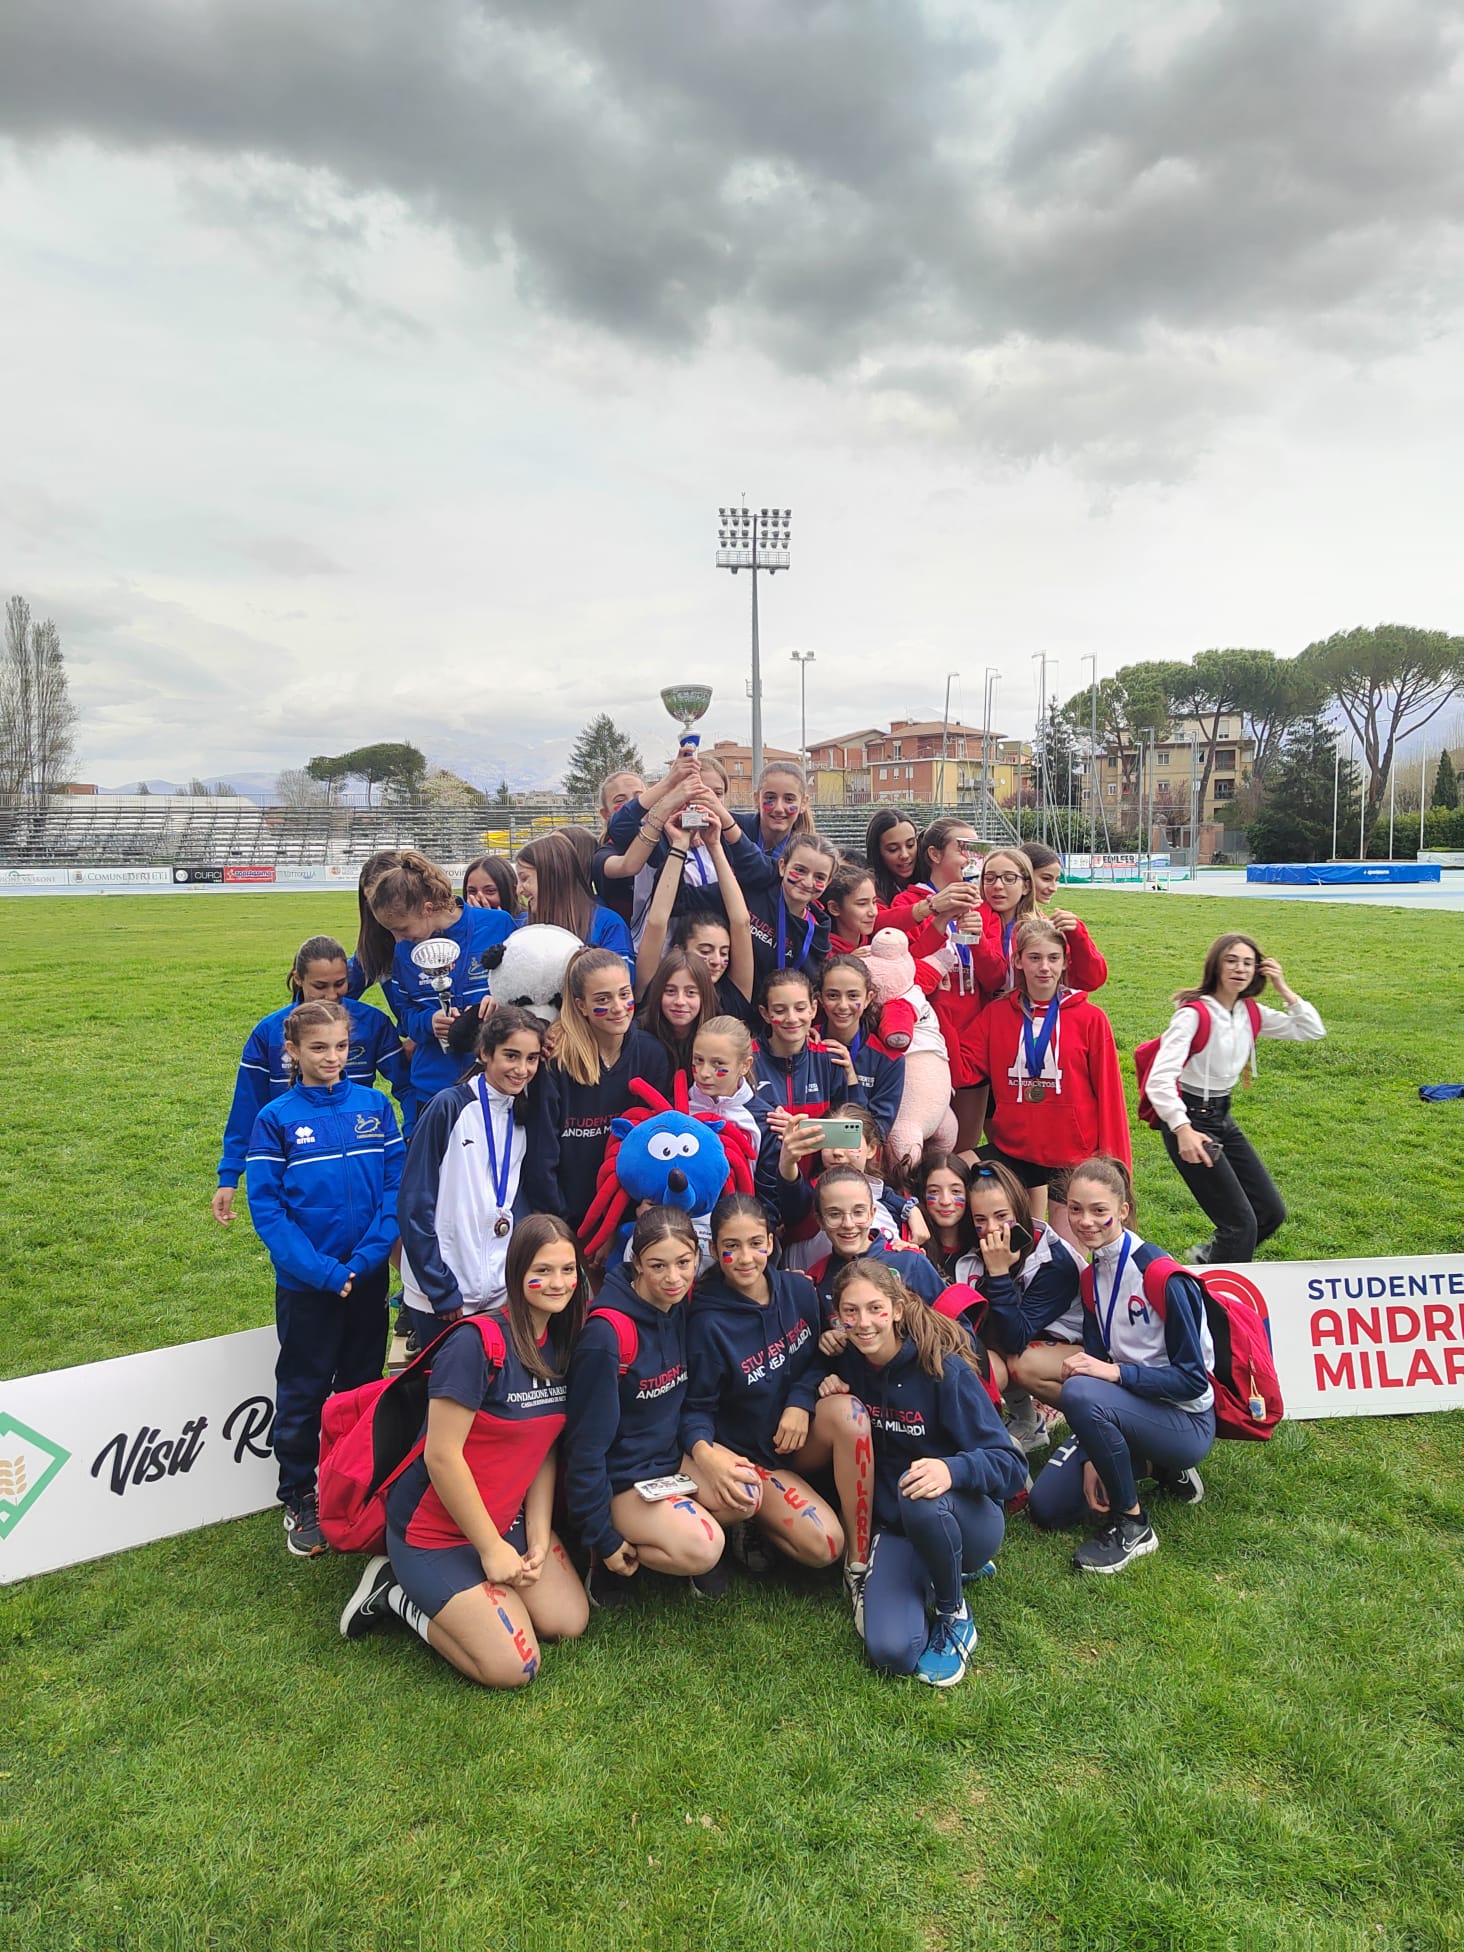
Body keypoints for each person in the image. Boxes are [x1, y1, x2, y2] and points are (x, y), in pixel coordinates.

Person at [339, 1216, 589, 1684]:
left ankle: (479, 1591)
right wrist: (492, 1549)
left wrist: (537, 1537)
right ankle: (395, 1592)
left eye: (567, 1269)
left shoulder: (563, 1342)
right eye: (543, 1270)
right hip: (434, 1531)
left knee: (568, 1622)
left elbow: (542, 1449)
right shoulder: (476, 1344)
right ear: (516, 1272)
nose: (558, 1283)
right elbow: (441, 1456)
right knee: (516, 1667)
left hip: (506, 1519)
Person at [243, 1001, 403, 1557]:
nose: (332, 1057)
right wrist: (323, 1272)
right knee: (304, 1389)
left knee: (359, 1386)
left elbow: (394, 1187)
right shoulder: (276, 1118)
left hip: (366, 1277)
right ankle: (299, 1494)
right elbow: (268, 1211)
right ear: (292, 1051)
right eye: (318, 1048)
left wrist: (367, 1259)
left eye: (341, 1046)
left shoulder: (375, 1107)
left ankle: (350, 1484)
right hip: (309, 1286)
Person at [818, 1260, 1026, 1686]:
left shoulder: (943, 1369)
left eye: (875, 1309)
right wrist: (822, 1387)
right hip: (898, 1526)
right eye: (851, 1312)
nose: (864, 1323)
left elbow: (1011, 1465)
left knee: (918, 1488)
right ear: (838, 1317)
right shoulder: (850, 1363)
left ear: (897, 1310)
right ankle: (936, 1568)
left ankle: (954, 1613)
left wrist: (951, 1469)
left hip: (964, 1517)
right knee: (892, 1651)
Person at [1029, 1157, 1217, 1575]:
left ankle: (1133, 1525)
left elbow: (1192, 1381)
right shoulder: (1092, 1276)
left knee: (1080, 1388)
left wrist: (1117, 1374)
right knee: (1047, 1507)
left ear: (1124, 1210)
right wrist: (1092, 1453)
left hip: (1185, 1422)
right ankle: (1157, 1468)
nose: (1085, 1221)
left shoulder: (1160, 1276)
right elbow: (1097, 1361)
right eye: (1075, 1209)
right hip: (1127, 1410)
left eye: (1099, 1210)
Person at [683, 1194, 863, 1593]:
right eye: (731, 1247)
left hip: (801, 1435)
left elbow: (819, 1356)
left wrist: (800, 1401)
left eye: (755, 1243)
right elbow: (695, 1409)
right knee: (824, 1545)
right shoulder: (707, 1324)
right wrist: (708, 1457)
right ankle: (752, 1519)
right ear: (713, 1249)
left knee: (850, 1413)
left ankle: (861, 1558)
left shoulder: (799, 1291)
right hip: (753, 1457)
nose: (745, 1258)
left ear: (770, 1242)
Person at [562, 1207, 725, 1605]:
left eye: (684, 1263)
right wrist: (602, 1536)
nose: (673, 1278)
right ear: (636, 1262)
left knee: (743, 1494)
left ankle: (673, 1529)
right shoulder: (606, 1337)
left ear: (698, 1256)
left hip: (669, 1461)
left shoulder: (679, 1307)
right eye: (657, 1266)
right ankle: (604, 1558)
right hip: (622, 1480)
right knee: (704, 1547)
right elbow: (584, 1449)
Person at [1146, 934, 1325, 1263]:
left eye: (1248, 963)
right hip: (1190, 1120)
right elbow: (1159, 1080)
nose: (1240, 969)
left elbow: (1311, 1030)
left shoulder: (1249, 1012)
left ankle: (1209, 1262)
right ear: (1215, 965)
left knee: (1269, 1213)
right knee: (1240, 1225)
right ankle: (1218, 1288)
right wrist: (1182, 1129)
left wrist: (1284, 988)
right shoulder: (1193, 1015)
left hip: (1221, 1116)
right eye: (1231, 961)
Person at [396, 1007, 563, 1349]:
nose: (522, 1069)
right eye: (511, 1056)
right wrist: (440, 1287)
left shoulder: (522, 1115)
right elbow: (415, 1201)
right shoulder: (449, 1107)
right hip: (443, 1294)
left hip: (498, 1292)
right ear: (485, 1053)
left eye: (531, 1058)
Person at [212, 934, 403, 1226]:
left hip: (356, 1154)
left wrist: (413, 1129)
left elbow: (406, 1083)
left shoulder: (372, 1023)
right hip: (297, 1159)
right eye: (320, 986)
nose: (331, 995)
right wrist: (230, 1173)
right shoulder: (270, 1032)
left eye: (340, 984)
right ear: (298, 979)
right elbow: (247, 1104)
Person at [967, 917, 1131, 1225]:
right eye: (1034, 958)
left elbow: (1110, 1096)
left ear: (1065, 962)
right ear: (1017, 960)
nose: (1044, 967)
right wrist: (935, 1016)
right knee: (950, 1174)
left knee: (1067, 1249)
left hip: (1071, 1155)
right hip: (1015, 1150)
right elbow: (964, 1069)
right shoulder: (996, 1014)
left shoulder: (1090, 1018)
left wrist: (1116, 1166)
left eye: (1053, 958)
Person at [885, 818, 1003, 1149]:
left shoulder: (984, 909)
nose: (973, 857)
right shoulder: (909, 904)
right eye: (964, 848)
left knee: (964, 1147)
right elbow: (903, 973)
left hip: (974, 1036)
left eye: (979, 849)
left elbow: (994, 978)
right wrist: (939, 922)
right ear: (935, 854)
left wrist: (977, 939)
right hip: (927, 1040)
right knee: (922, 1145)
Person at [955, 1159, 1083, 1452]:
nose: (992, 1229)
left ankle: (1106, 1419)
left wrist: (998, 1274)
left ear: (1020, 1209)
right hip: (1033, 1336)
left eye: (1002, 1216)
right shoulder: (978, 1246)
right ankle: (1026, 1421)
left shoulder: (1054, 1262)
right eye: (980, 1219)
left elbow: (1014, 1338)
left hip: (1085, 1350)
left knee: (1020, 1364)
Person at [369, 849, 516, 1105]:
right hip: (433, 1088)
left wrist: (501, 1002)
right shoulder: (405, 950)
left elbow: (525, 993)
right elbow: (406, 1014)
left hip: (495, 1084)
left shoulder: (498, 924)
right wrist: (429, 1022)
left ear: (427, 909)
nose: (398, 939)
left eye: (401, 928)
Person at [543, 948, 672, 1236]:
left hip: (630, 1220)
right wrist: (564, 1230)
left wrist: (624, 1220)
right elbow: (543, 1159)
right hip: (566, 1225)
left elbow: (656, 1146)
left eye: (624, 994)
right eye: (603, 999)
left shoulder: (652, 1055)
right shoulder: (556, 1061)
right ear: (581, 1006)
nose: (618, 1007)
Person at [637, 803, 758, 1028]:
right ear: (678, 950)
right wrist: (679, 845)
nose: (717, 961)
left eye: (724, 952)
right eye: (705, 950)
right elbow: (657, 921)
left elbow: (741, 922)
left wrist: (715, 845)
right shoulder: (656, 990)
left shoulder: (731, 998)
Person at [767, 1105, 907, 1272]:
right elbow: (794, 1194)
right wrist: (787, 1162)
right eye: (830, 1142)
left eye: (848, 1142)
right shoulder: (812, 1198)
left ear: (871, 1149)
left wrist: (909, 1214)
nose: (838, 1152)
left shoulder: (893, 1205)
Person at [804, 1168, 949, 1316]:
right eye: (835, 1214)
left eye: (858, 1212)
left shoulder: (909, 1262)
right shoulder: (817, 1279)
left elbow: (956, 1325)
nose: (848, 1224)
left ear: (872, 1214)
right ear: (820, 1220)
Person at [516, 832, 636, 977]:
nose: (519, 890)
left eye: (524, 878)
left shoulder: (608, 924)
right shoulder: (522, 926)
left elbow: (620, 981)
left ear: (553, 877)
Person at [817, 953, 904, 1142]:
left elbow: (877, 1135)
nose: (843, 1005)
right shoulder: (805, 1045)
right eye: (833, 995)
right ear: (820, 998)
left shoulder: (888, 1059)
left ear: (868, 998)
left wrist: (851, 1080)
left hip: (855, 1158)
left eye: (853, 996)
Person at [745, 833, 836, 990]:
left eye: (820, 877)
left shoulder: (819, 934)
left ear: (828, 882)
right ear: (782, 867)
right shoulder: (749, 896)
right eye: (800, 870)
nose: (808, 882)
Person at [1022, 842, 1106, 992]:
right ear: (1024, 877)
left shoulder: (1045, 921)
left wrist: (1077, 934)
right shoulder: (999, 919)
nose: (1054, 888)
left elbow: (1092, 979)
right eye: (1046, 878)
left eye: (1057, 880)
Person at [635, 949, 718, 1081]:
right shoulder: (637, 1036)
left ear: (704, 997)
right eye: (670, 991)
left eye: (691, 993)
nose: (680, 1001)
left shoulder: (719, 1038)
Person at [688, 1016, 762, 1156]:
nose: (704, 1073)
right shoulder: (676, 1108)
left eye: (718, 1063)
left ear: (745, 1066)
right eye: (699, 1060)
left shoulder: (764, 1118)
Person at [590, 768, 647, 924]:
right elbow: (628, 866)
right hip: (623, 935)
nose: (633, 805)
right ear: (606, 814)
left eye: (639, 797)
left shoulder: (667, 839)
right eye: (620, 800)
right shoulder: (604, 854)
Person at [909, 1151, 975, 1284]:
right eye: (934, 1191)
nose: (945, 1201)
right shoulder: (911, 1243)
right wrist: (910, 1209)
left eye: (955, 1191)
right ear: (923, 1195)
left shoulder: (980, 1248)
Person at [865, 808, 920, 915]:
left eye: (910, 845)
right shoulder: (869, 888)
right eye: (893, 849)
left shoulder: (932, 876)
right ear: (877, 851)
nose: (904, 855)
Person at [824, 859, 881, 955]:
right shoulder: (822, 950)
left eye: (874, 902)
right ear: (834, 908)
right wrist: (847, 962)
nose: (873, 912)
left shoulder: (877, 941)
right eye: (862, 904)